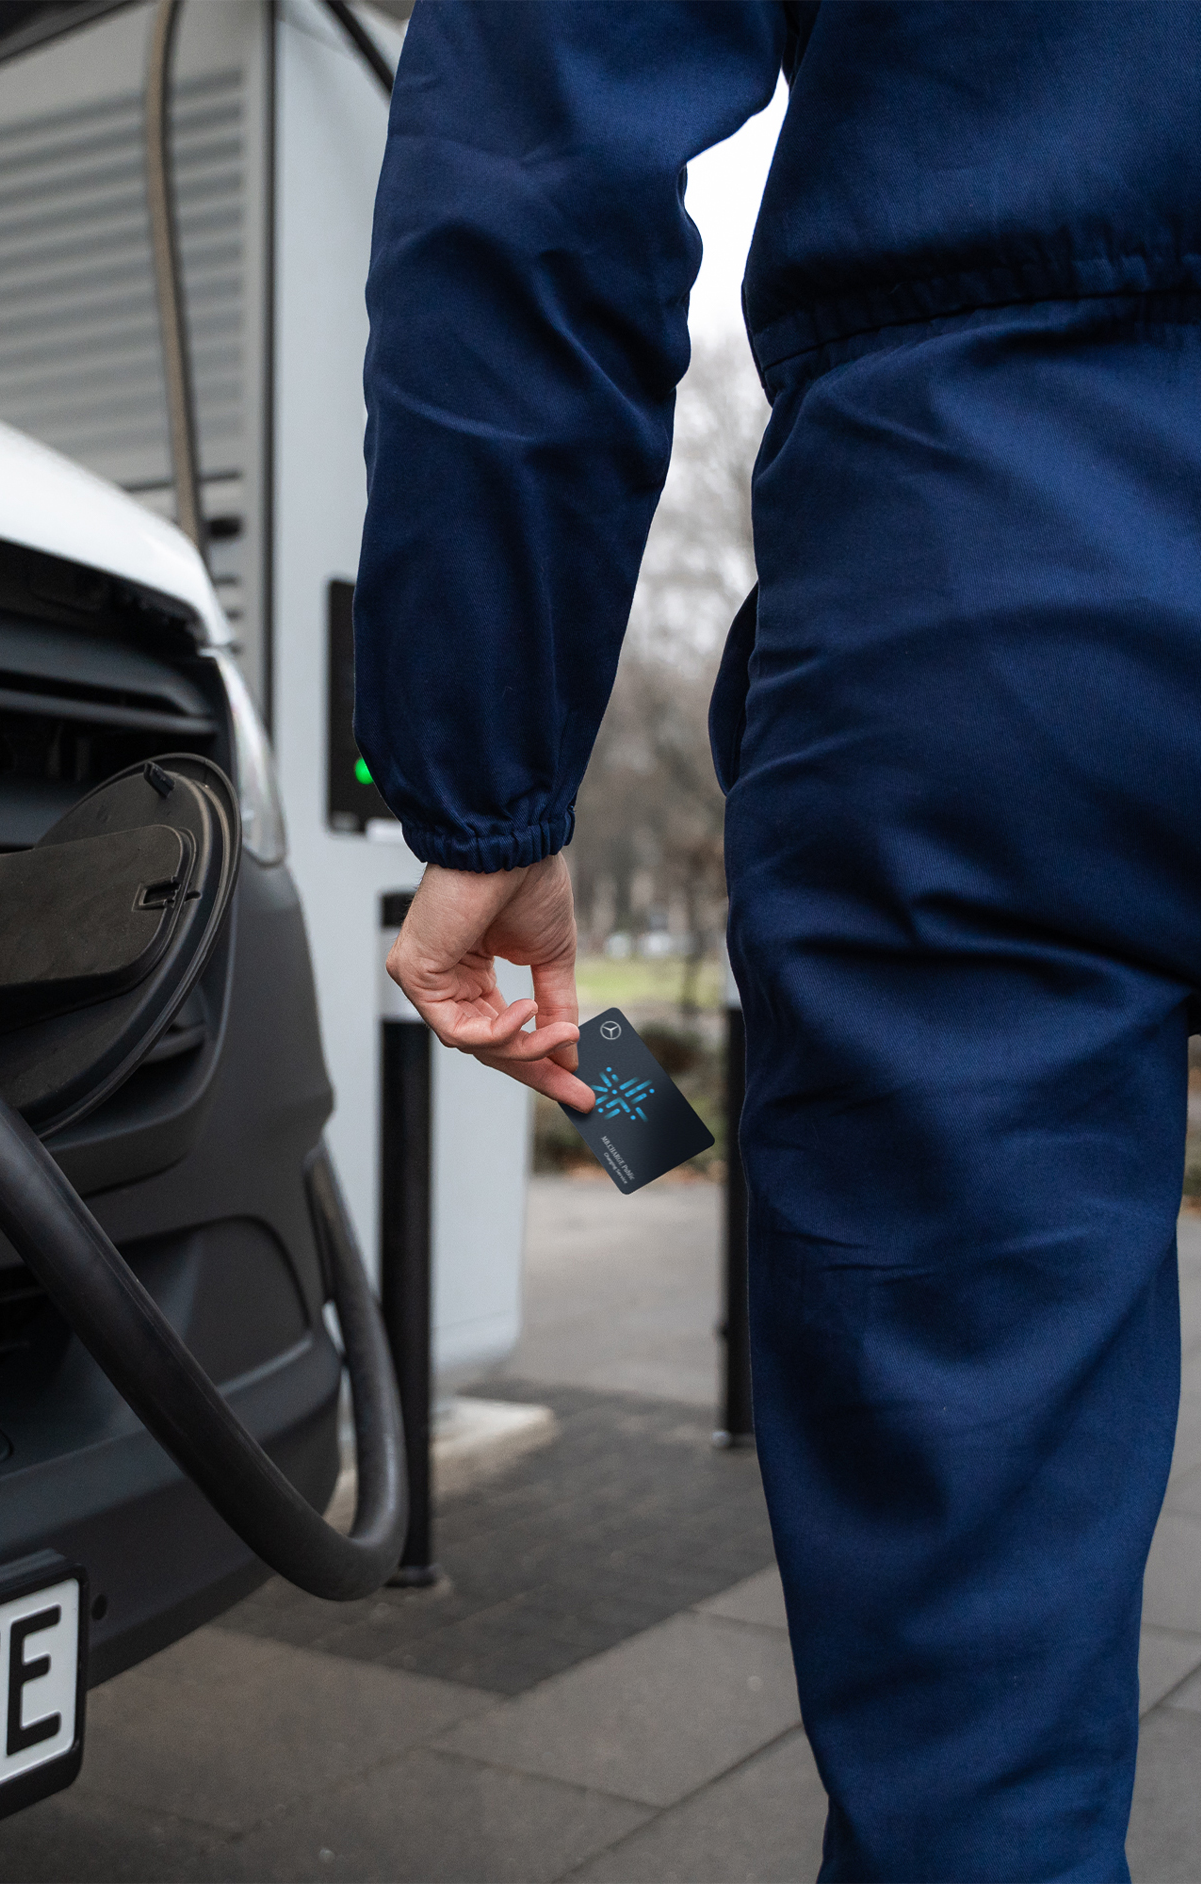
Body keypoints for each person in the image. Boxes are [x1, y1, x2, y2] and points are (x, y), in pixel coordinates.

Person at [357, 5, 1201, 1878]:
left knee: (972, 1708)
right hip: (995, 536)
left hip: (990, 582)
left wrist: (483, 786)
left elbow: (540, 137)